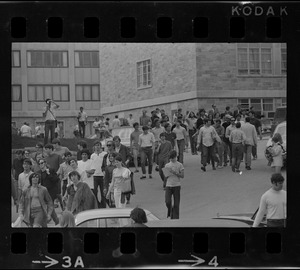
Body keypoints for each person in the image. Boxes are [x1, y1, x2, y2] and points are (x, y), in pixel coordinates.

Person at [37, 158, 60, 225]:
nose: (41, 164)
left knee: (50, 205)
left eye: (42, 163)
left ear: (45, 163)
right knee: (45, 206)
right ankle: (54, 219)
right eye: (39, 163)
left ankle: (51, 219)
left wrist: (49, 174)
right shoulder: (38, 173)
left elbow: (56, 180)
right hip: (42, 192)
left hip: (51, 191)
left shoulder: (51, 170)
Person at [163, 150, 184, 219]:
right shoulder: (167, 165)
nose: (172, 159)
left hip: (176, 185)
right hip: (169, 185)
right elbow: (166, 176)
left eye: (173, 158)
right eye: (171, 158)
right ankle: (170, 211)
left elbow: (182, 175)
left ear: (175, 157)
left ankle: (175, 218)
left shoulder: (179, 165)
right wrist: (167, 173)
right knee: (167, 201)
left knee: (176, 204)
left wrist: (175, 172)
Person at [90, 141, 107, 208]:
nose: (97, 147)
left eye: (98, 145)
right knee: (94, 192)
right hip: (95, 176)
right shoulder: (92, 155)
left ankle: (103, 205)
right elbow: (91, 165)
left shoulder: (105, 154)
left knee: (103, 192)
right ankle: (97, 204)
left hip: (103, 175)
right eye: (96, 145)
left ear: (100, 146)